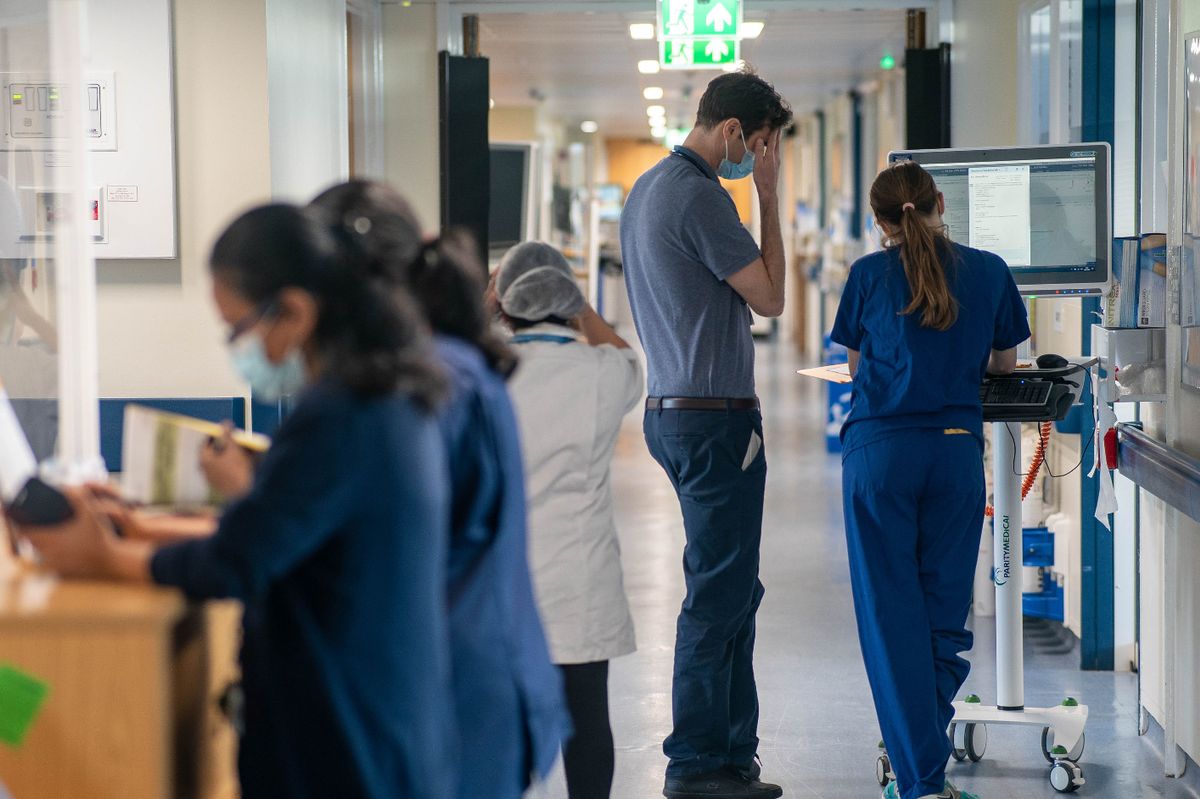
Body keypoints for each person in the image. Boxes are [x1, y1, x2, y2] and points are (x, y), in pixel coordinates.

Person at [15, 204, 457, 799]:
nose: (238, 348)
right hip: (381, 716)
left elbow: (238, 560)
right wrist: (136, 532)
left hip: (347, 735)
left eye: (238, 329)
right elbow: (278, 532)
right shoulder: (383, 398)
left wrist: (104, 559)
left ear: (295, 312)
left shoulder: (342, 418)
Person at [309, 180, 570, 799]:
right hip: (485, 679)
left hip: (455, 693)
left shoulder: (430, 387)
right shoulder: (460, 364)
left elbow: (388, 538)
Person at [830, 162, 1030, 799]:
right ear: (942, 203)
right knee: (943, 615)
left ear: (880, 221)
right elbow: (1004, 364)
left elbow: (859, 366)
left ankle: (919, 774)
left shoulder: (866, 275)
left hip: (880, 457)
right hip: (953, 455)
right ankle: (920, 756)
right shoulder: (991, 271)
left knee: (891, 617)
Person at [619, 68, 792, 799]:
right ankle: (695, 762)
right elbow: (774, 296)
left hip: (673, 409)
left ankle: (727, 754)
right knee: (718, 596)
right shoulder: (701, 195)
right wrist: (768, 196)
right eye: (758, 146)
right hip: (713, 421)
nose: (758, 158)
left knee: (729, 589)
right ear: (731, 133)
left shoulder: (648, 189)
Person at [495, 241, 641, 799]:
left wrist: (490, 305)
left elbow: (446, 357)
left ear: (506, 305)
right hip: (581, 580)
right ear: (572, 301)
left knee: (503, 723)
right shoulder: (603, 372)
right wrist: (584, 309)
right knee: (585, 720)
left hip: (505, 579)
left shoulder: (487, 374)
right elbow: (628, 354)